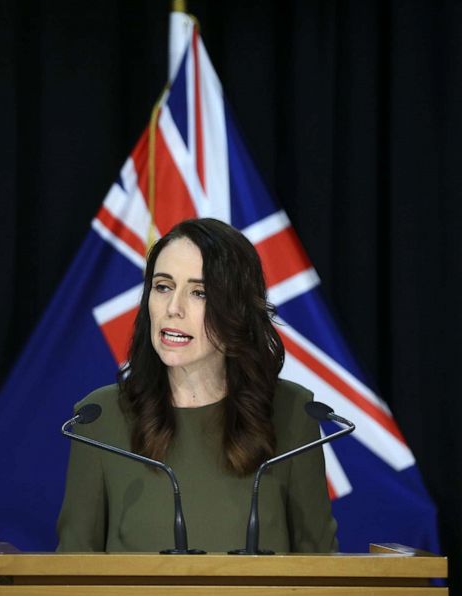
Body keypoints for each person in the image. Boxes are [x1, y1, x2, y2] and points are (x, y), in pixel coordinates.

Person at [56, 218, 337, 553]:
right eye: (163, 287)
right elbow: (72, 575)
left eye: (199, 292)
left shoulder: (292, 413)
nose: (173, 309)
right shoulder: (99, 420)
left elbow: (322, 571)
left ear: (236, 309)